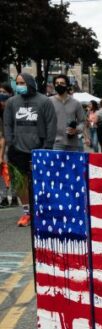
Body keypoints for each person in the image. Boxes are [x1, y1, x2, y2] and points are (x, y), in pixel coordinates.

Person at [3, 73, 56, 225]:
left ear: (30, 83)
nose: (19, 85)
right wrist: (10, 141)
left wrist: (47, 146)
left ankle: (42, 211)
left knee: (40, 182)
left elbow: (51, 125)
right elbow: (7, 124)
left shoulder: (44, 101)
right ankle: (27, 213)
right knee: (21, 184)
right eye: (17, 82)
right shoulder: (12, 102)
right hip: (17, 150)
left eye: (22, 82)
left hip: (39, 149)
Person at [50, 74, 85, 152]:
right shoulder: (49, 102)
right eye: (57, 83)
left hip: (72, 143)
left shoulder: (76, 103)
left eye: (62, 83)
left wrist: (76, 129)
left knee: (71, 164)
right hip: (55, 143)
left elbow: (82, 122)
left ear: (67, 85)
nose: (59, 85)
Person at [0, 82, 15, 208]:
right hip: (2, 143)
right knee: (2, 172)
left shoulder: (14, 108)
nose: (2, 94)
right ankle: (4, 197)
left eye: (4, 92)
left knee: (12, 171)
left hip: (12, 144)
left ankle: (14, 196)